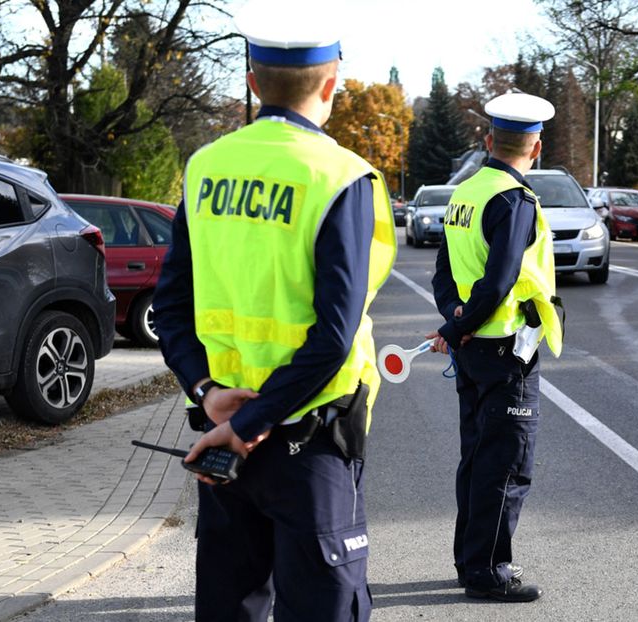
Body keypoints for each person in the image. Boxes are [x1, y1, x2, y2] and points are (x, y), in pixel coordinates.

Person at [151, 1, 396, 619]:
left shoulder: (205, 167)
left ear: (253, 82)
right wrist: (254, 419)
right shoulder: (342, 175)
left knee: (230, 605)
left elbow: (171, 307)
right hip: (305, 440)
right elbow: (334, 335)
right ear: (334, 83)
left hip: (222, 436)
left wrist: (209, 393)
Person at [428, 92, 564, 603]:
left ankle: (471, 559)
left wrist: (454, 320)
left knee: (476, 457)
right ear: (537, 147)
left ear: (488, 141)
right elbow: (501, 278)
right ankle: (487, 571)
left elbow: (444, 270)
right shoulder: (516, 200)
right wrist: (465, 324)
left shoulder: (465, 193)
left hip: (472, 350)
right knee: (505, 463)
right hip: (507, 350)